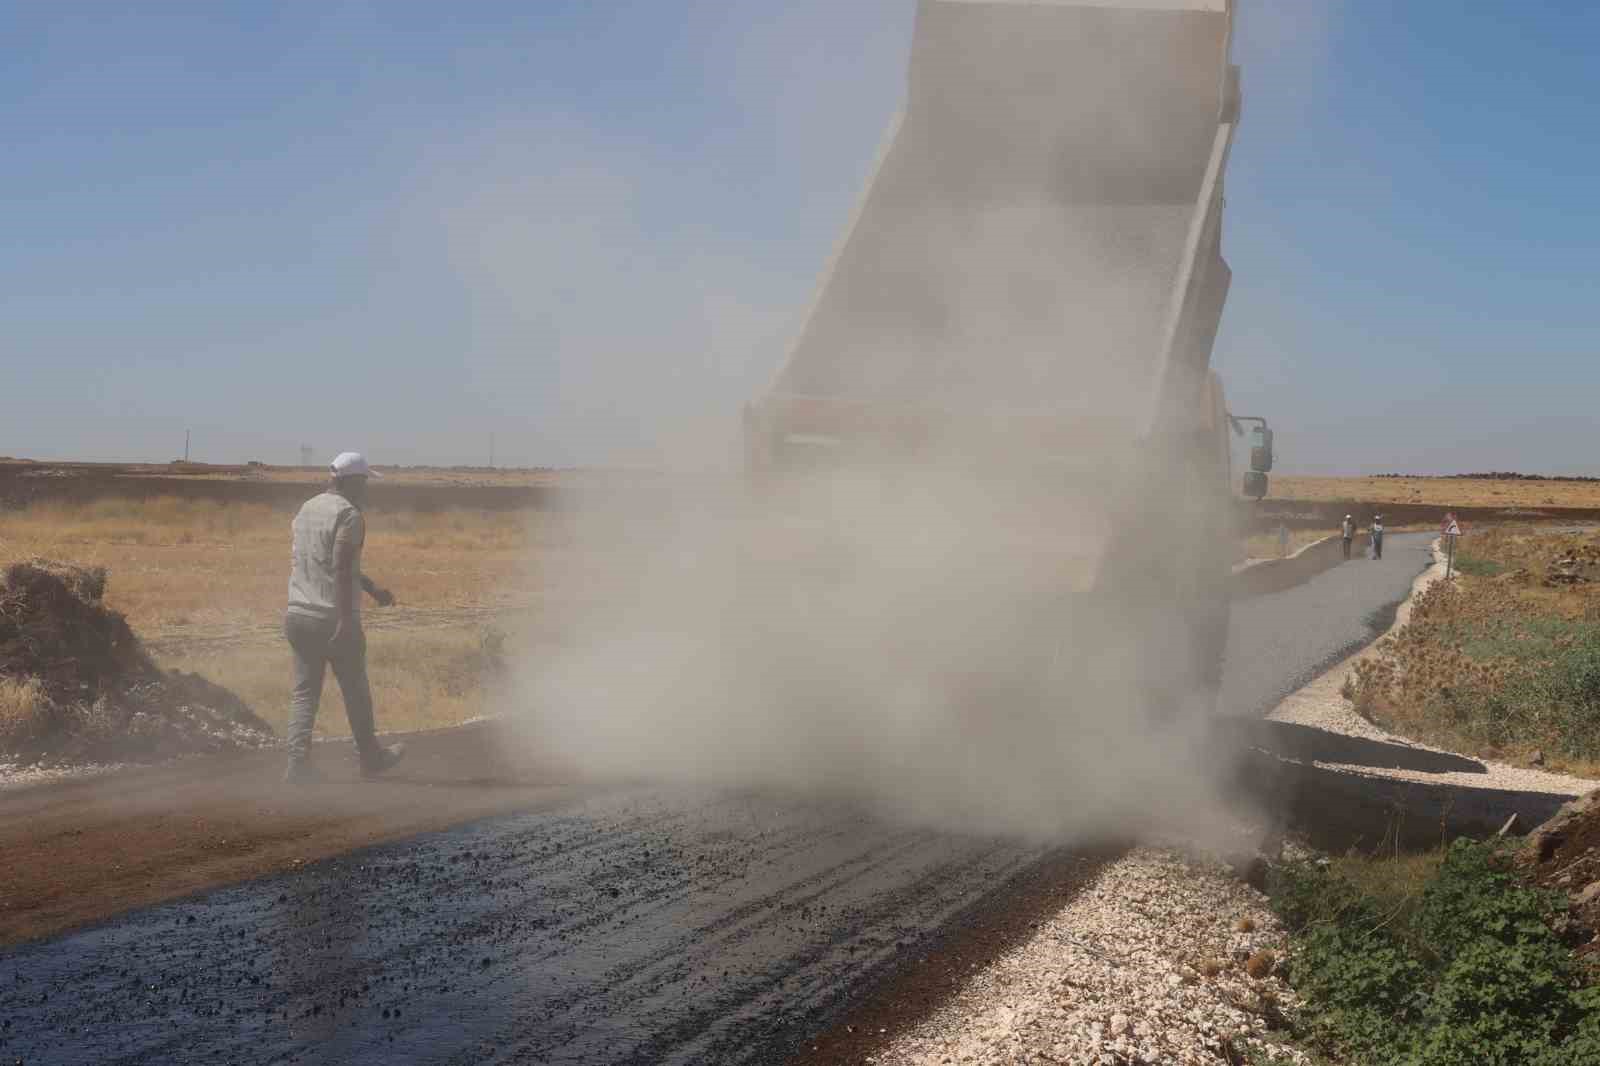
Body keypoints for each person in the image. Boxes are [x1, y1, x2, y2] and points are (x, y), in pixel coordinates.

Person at [282, 451, 404, 784]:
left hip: (297, 612)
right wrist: (347, 620)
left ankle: (297, 765)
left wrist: (372, 589)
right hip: (330, 616)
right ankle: (371, 758)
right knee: (355, 689)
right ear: (351, 481)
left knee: (305, 691)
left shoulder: (307, 508)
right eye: (364, 481)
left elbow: (327, 561)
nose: (366, 489)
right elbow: (339, 566)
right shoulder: (349, 515)